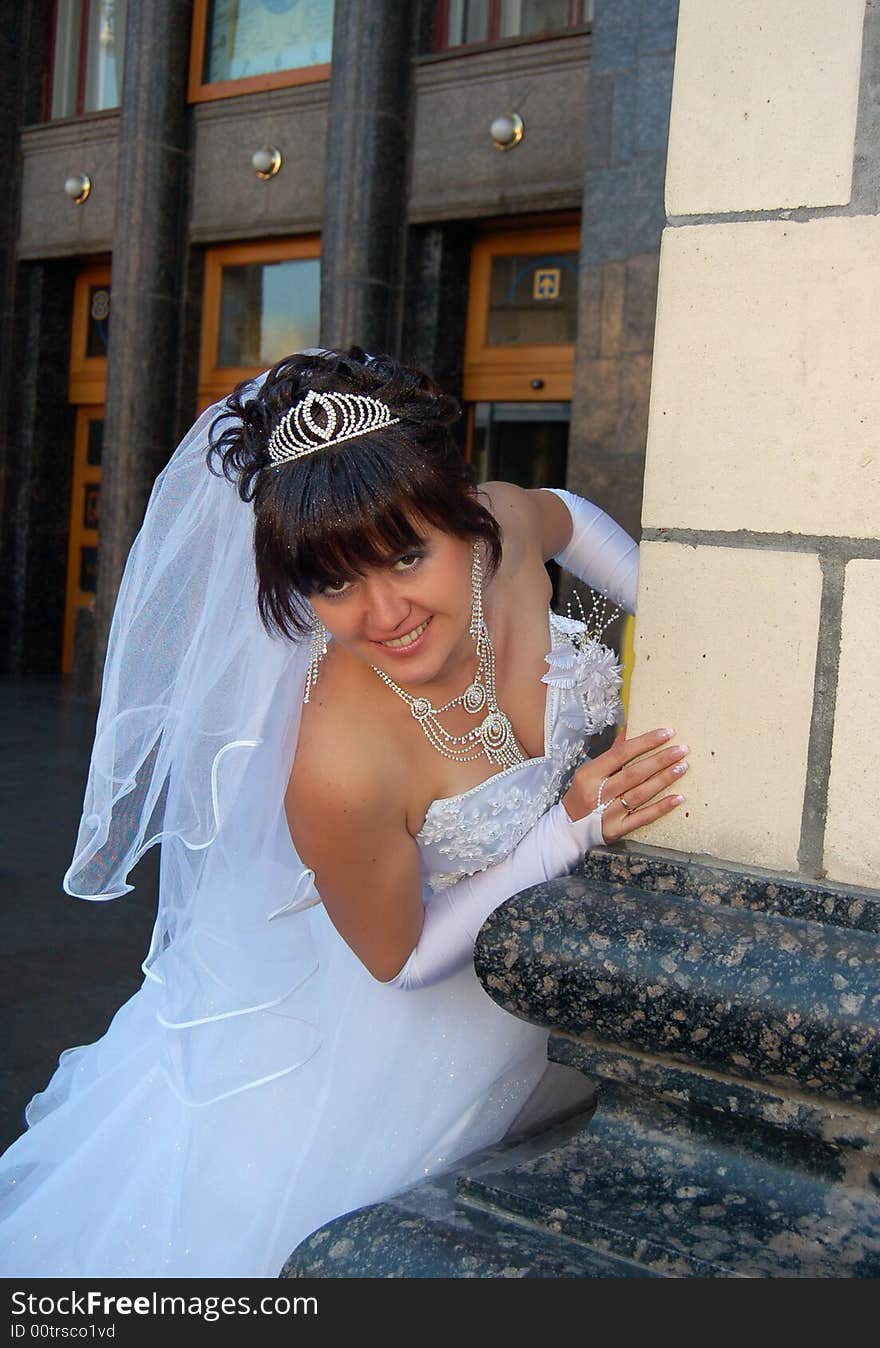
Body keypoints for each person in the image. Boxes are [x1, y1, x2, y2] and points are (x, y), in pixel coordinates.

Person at [0, 348, 686, 1277]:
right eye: (334, 583)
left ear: (464, 522)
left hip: (555, 960)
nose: (385, 611)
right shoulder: (337, 767)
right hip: (408, 1038)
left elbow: (574, 518)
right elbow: (399, 959)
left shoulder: (504, 530)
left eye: (411, 555)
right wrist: (566, 828)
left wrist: (690, 625)